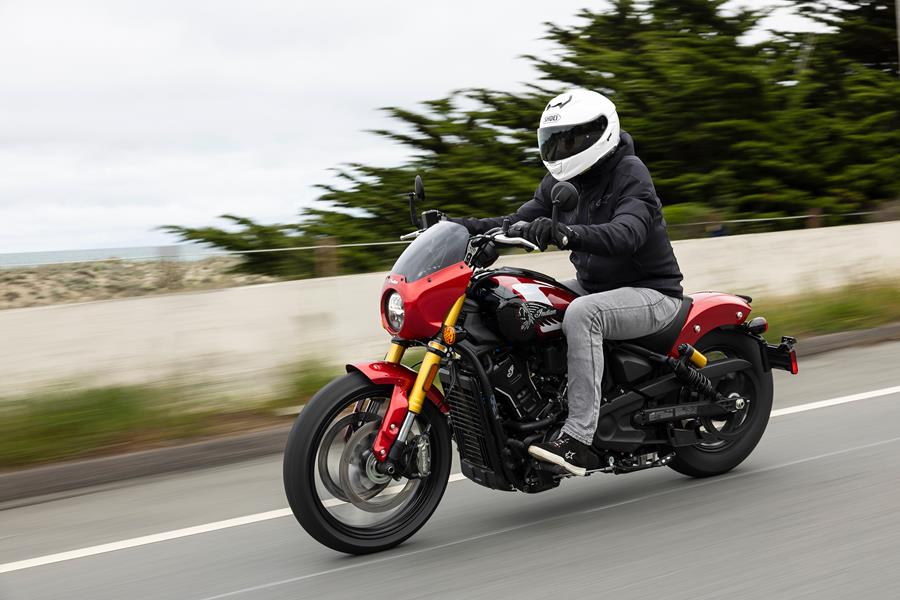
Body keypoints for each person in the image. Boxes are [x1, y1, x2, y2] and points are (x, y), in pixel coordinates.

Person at [450, 88, 684, 476]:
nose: (561, 149)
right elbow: (515, 221)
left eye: (571, 139)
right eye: (555, 141)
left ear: (599, 133)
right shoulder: (559, 181)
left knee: (582, 316)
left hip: (652, 293)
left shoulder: (629, 172)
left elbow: (627, 232)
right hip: (595, 287)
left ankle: (578, 439)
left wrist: (566, 235)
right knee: (516, 298)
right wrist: (460, 228)